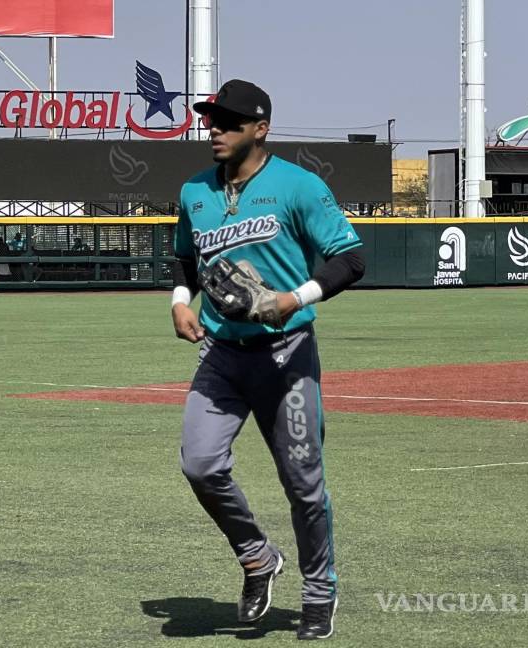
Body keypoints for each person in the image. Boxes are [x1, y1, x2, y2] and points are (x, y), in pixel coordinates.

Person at [170, 79, 365, 641]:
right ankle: (257, 557)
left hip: (287, 357)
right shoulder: (194, 192)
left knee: (303, 484)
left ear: (260, 128)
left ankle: (320, 590)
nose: (215, 129)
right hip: (221, 355)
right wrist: (182, 302)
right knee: (200, 464)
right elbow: (186, 258)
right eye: (212, 119)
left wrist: (294, 298)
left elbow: (350, 259)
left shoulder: (297, 187)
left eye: (228, 121)